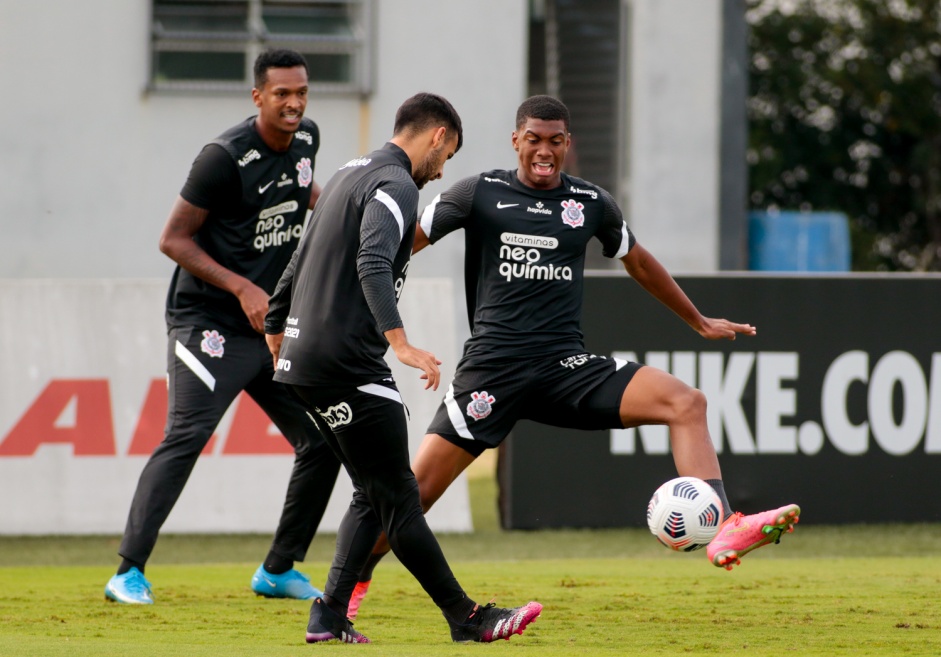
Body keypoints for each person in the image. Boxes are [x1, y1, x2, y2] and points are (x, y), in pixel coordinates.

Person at [344, 94, 801, 620]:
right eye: (533, 140)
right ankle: (350, 586)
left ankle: (724, 529)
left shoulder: (590, 202)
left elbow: (640, 261)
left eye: (555, 141)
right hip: (492, 371)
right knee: (412, 495)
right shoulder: (478, 192)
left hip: (565, 368)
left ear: (567, 144)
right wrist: (357, 302)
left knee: (686, 402)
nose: (544, 151)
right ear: (516, 140)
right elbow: (403, 242)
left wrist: (697, 319)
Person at [264, 92, 542, 644]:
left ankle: (329, 614)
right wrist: (403, 344)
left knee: (374, 492)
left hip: (305, 363)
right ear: (436, 136)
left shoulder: (347, 172)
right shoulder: (395, 185)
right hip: (348, 363)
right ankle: (466, 617)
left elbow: (296, 262)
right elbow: (372, 261)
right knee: (399, 497)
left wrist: (278, 334)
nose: (442, 172)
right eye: (448, 156)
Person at [104, 49, 341, 605]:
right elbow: (173, 239)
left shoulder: (307, 139)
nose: (294, 103)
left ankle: (278, 570)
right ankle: (127, 572)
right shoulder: (223, 157)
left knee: (324, 437)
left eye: (301, 92)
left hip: (272, 330)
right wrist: (241, 285)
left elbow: (301, 193)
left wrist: (335, 207)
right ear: (257, 96)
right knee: (187, 436)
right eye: (281, 93)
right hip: (208, 325)